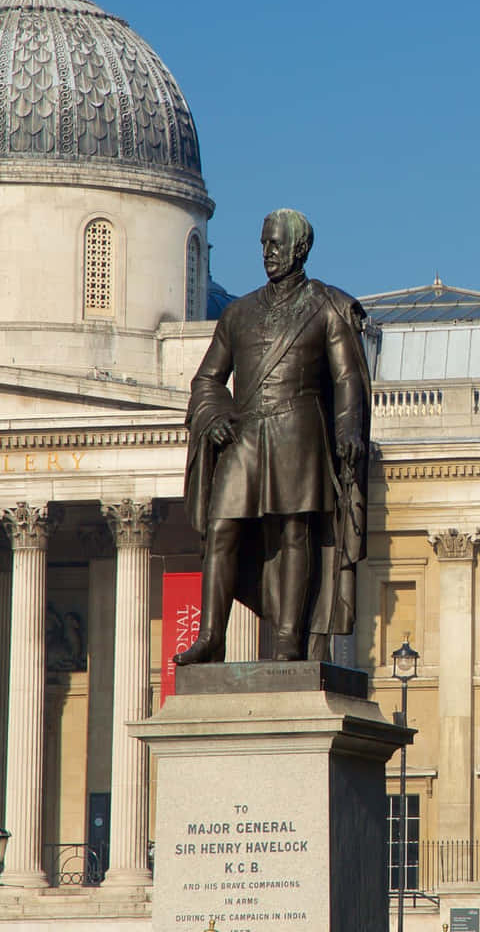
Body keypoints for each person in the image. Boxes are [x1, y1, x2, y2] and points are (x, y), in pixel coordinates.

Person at [177, 208, 371, 664]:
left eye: (277, 244)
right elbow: (207, 379)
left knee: (293, 533)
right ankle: (211, 635)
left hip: (298, 432)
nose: (268, 253)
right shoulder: (238, 314)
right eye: (264, 244)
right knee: (221, 528)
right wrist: (216, 414)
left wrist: (346, 429)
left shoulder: (326, 308)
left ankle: (288, 636)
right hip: (245, 435)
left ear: (300, 249)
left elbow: (347, 380)